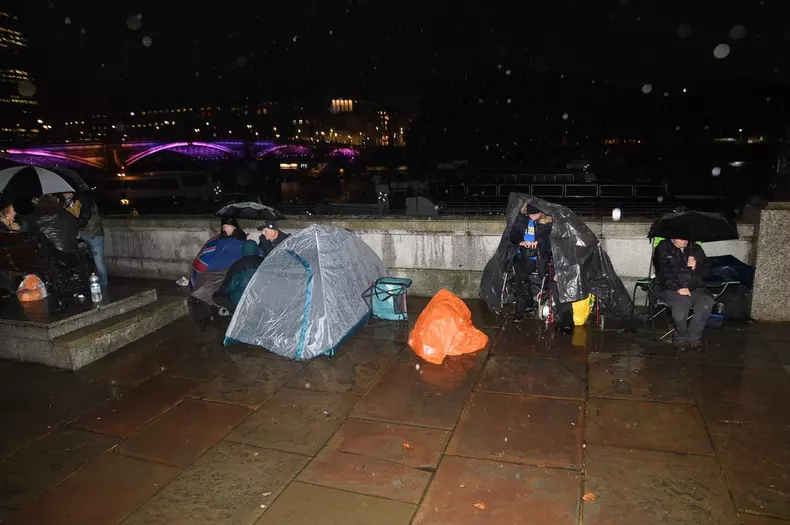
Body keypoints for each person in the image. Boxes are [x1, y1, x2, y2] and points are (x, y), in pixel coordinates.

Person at [653, 237, 714, 351]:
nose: (685, 241)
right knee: (682, 304)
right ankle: (680, 337)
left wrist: (697, 266)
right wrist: (677, 287)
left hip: (695, 287)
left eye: (686, 238)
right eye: (681, 238)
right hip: (670, 287)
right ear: (672, 237)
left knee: (706, 303)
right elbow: (662, 273)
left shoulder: (696, 249)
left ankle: (694, 337)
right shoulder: (663, 248)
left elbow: (707, 273)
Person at [509, 203, 550, 321]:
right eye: (530, 214)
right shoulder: (522, 220)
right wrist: (520, 242)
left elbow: (549, 242)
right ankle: (528, 303)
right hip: (520, 254)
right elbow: (513, 234)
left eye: (535, 214)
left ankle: (519, 310)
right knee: (520, 278)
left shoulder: (545, 223)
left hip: (534, 257)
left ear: (541, 213)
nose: (532, 217)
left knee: (520, 279)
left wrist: (539, 243)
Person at [63, 192, 107, 287]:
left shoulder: (85, 200)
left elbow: (84, 217)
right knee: (83, 260)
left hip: (93, 234)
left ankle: (104, 286)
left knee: (98, 261)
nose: (63, 193)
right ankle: (90, 283)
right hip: (81, 235)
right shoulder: (68, 202)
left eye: (66, 191)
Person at [212, 239, 263, 314]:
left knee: (217, 296)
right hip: (260, 298)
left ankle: (235, 311)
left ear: (243, 249)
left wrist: (221, 291)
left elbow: (227, 287)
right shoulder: (264, 261)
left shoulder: (237, 264)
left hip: (241, 299)